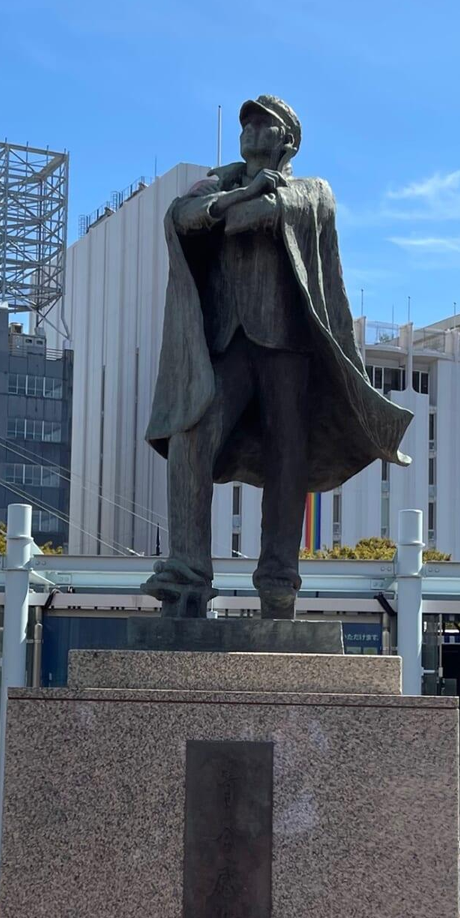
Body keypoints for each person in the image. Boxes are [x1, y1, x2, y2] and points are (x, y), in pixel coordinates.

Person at [143, 95, 411, 619]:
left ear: (288, 140)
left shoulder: (312, 190)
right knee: (190, 436)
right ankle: (187, 572)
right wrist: (236, 196)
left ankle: (278, 580)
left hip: (288, 345)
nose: (249, 129)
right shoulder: (219, 183)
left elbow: (274, 212)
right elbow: (182, 216)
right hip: (226, 344)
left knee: (289, 454)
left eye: (263, 123)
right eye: (246, 123)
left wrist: (247, 206)